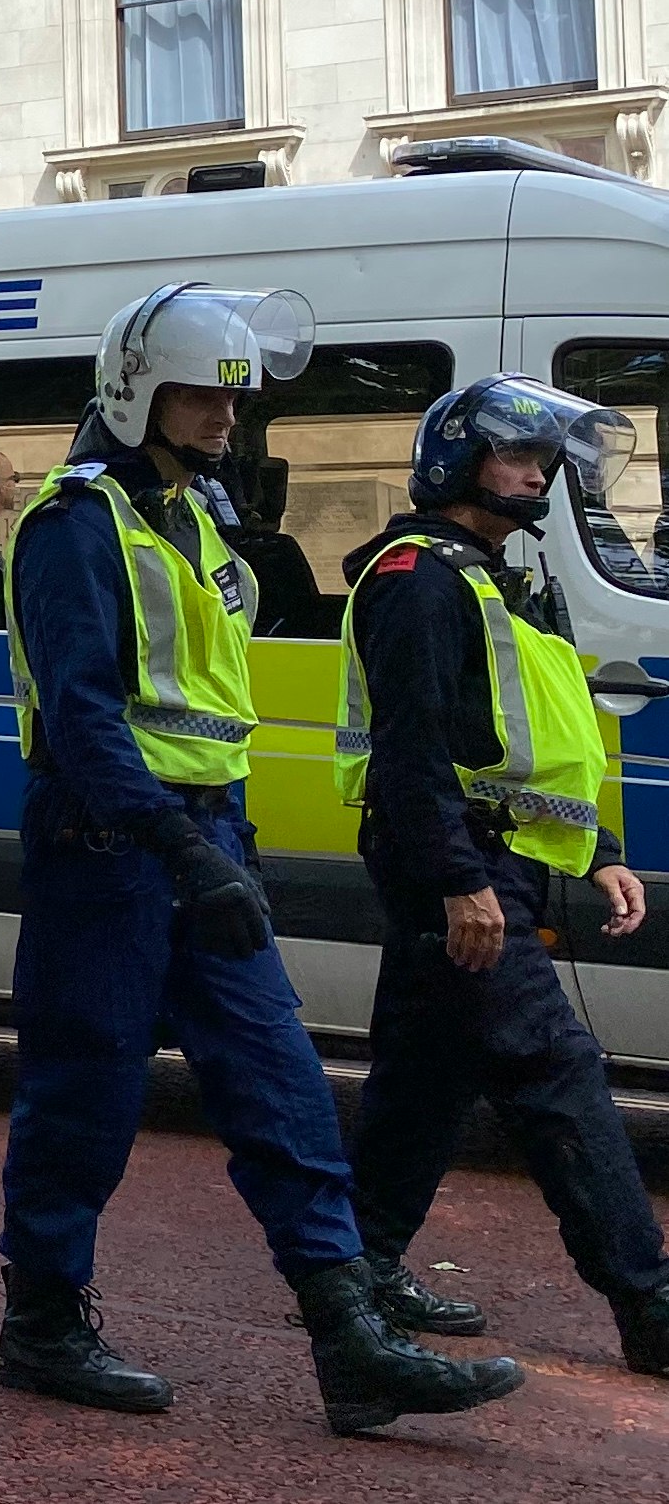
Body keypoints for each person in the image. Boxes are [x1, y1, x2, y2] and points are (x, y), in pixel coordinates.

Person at [0, 283, 524, 1435]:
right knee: (81, 1092)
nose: (226, 416)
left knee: (280, 1085)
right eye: (201, 394)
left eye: (233, 396)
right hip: (109, 850)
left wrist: (212, 842)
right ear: (138, 390)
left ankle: (348, 1340)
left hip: (194, 840)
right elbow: (81, 719)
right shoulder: (74, 521)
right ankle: (39, 1322)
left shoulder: (192, 512)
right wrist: (182, 846)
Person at [337, 376, 669, 1376]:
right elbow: (408, 750)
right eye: (514, 455)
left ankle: (353, 1268)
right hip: (461, 864)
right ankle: (647, 1300)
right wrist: (455, 879)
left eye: (541, 458)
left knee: (423, 1076)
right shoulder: (418, 578)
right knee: (555, 1069)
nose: (537, 472)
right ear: (456, 463)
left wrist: (599, 847)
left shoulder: (487, 579)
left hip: (494, 858)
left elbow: (546, 740)